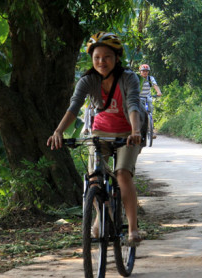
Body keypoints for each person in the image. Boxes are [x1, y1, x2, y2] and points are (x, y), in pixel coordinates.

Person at [47, 32, 145, 244]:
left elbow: (133, 106)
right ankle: (102, 214)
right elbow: (73, 108)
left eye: (107, 57)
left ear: (117, 58)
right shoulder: (87, 80)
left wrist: (136, 132)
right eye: (97, 57)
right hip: (100, 133)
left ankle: (133, 229)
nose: (102, 62)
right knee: (93, 180)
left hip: (128, 134)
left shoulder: (128, 78)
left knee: (122, 175)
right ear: (92, 59)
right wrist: (58, 132)